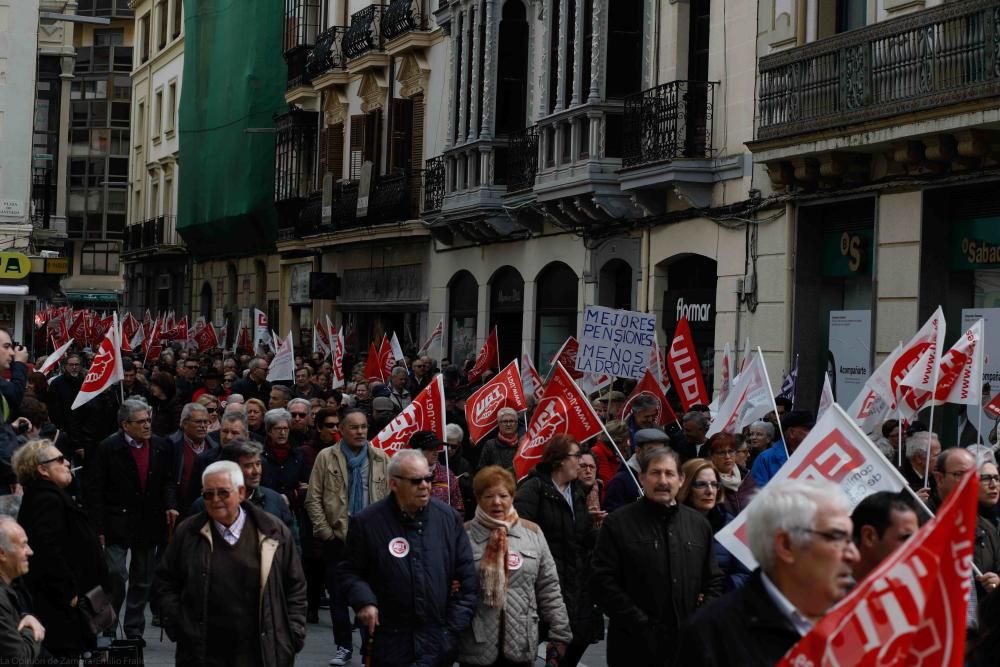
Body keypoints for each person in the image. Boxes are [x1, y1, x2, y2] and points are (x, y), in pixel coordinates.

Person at [675, 478, 860, 665]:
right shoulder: (710, 637)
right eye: (837, 537)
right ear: (786, 546)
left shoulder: (861, 618)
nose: (854, 554)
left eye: (851, 539)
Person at [156, 460, 307, 667]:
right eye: (208, 494)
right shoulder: (188, 532)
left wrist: (293, 633)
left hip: (260, 651)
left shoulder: (273, 531)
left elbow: (295, 586)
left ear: (241, 492)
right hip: (203, 651)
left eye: (223, 493)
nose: (215, 500)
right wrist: (179, 626)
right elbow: (166, 582)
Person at [340, 449, 478, 667]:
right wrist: (364, 601)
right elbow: (350, 572)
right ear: (394, 484)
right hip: (389, 640)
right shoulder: (367, 522)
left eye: (428, 478)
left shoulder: (448, 519)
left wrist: (451, 629)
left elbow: (468, 580)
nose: (425, 485)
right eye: (416, 481)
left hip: (438, 640)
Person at [591, 448, 723, 666]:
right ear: (642, 477)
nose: (663, 480)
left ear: (681, 479)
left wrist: (699, 619)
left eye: (669, 474)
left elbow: (713, 581)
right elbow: (602, 582)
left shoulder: (698, 525)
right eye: (656, 473)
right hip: (633, 647)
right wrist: (641, 623)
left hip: (686, 648)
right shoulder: (618, 523)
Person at [457, 466, 572, 666]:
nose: (497, 502)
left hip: (521, 642)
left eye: (503, 495)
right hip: (476, 643)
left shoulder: (532, 533)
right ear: (477, 498)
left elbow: (549, 587)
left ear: (512, 497)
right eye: (488, 496)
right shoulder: (463, 535)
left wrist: (560, 632)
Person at [85, 398, 178, 643]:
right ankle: (109, 624)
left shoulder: (161, 445)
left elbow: (168, 480)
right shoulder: (108, 447)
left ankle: (134, 628)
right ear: (125, 425)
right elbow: (94, 490)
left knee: (143, 578)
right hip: (117, 522)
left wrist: (170, 505)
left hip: (148, 521)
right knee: (115, 574)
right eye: (141, 422)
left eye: (148, 420)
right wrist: (98, 527)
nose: (147, 425)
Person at [305, 409, 390, 666]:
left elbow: (388, 499)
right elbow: (314, 498)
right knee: (339, 597)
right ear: (340, 430)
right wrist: (326, 533)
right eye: (354, 427)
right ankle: (343, 646)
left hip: (370, 540)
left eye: (364, 427)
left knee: (369, 596)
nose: (360, 432)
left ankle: (368, 646)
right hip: (338, 539)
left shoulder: (380, 458)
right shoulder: (326, 457)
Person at [13, 439, 106, 661]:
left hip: (64, 603)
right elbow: (47, 551)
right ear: (42, 469)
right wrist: (68, 593)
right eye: (60, 459)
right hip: (58, 606)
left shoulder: (49, 496)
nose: (67, 464)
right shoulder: (46, 499)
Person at [514, 435, 601, 667]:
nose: (581, 463)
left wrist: (610, 531)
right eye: (575, 457)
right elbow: (519, 534)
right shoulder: (533, 489)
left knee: (578, 639)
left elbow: (582, 534)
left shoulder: (576, 491)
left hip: (576, 579)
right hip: (543, 583)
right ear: (560, 460)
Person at [932, 448, 1000, 605]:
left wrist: (997, 580)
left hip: (979, 622)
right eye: (959, 475)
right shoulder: (920, 519)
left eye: (972, 476)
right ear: (939, 478)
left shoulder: (987, 527)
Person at [678, 458, 749, 592]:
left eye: (714, 484)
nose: (710, 491)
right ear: (685, 487)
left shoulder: (730, 525)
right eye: (701, 484)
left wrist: (718, 590)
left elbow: (746, 574)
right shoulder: (672, 524)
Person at [188, 441, 294, 528]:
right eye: (248, 466)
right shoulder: (204, 505)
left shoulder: (275, 501)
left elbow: (291, 546)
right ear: (231, 469)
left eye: (258, 464)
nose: (256, 471)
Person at [0, 516, 44, 662]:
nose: (30, 551)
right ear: (2, 553)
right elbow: (19, 660)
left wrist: (26, 617)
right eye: (23, 545)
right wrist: (31, 628)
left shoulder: (11, 587)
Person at [849, 490, 919, 582]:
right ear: (869, 536)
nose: (917, 547)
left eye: (917, 539)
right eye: (906, 538)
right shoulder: (829, 590)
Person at [603, 428, 667, 512]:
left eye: (660, 451)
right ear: (638, 450)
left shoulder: (664, 478)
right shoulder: (620, 481)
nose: (656, 456)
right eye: (651, 451)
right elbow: (614, 517)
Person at [260, 408, 310, 510]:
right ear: (269, 431)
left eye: (285, 429)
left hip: (293, 511)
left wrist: (290, 496)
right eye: (277, 429)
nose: (282, 433)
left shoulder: (298, 455)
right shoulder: (260, 456)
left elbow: (307, 487)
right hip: (266, 510)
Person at [750, 410, 815, 487]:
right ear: (792, 433)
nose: (812, 432)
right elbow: (757, 493)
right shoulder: (765, 459)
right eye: (807, 430)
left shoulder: (814, 456)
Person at [170, 402, 215, 511]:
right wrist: (171, 506)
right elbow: (168, 482)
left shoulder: (214, 447)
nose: (203, 426)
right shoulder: (171, 445)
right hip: (180, 508)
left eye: (206, 422)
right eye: (198, 422)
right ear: (185, 423)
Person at [409, 430, 464, 512]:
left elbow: (458, 508)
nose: (436, 453)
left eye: (436, 448)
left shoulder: (447, 474)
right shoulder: (407, 475)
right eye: (430, 449)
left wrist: (451, 523)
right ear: (418, 452)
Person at [708, 433, 747, 516]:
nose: (727, 456)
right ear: (711, 455)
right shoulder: (709, 484)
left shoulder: (748, 476)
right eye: (721, 453)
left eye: (731, 451)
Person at [477, 408, 521, 473]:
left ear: (516, 424)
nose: (508, 424)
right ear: (499, 424)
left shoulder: (523, 444)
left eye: (511, 421)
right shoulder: (490, 445)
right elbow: (482, 470)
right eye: (505, 421)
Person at [901, 431, 940, 502]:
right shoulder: (900, 483)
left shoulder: (935, 476)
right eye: (936, 455)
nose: (940, 459)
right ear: (919, 458)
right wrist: (913, 503)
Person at [590, 420, 628, 488]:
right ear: (618, 441)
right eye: (626, 440)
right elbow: (608, 481)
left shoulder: (615, 454)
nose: (627, 444)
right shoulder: (597, 452)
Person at [578, 451, 606, 527]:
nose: (588, 471)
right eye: (583, 466)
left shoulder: (599, 488)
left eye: (592, 467)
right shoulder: (570, 493)